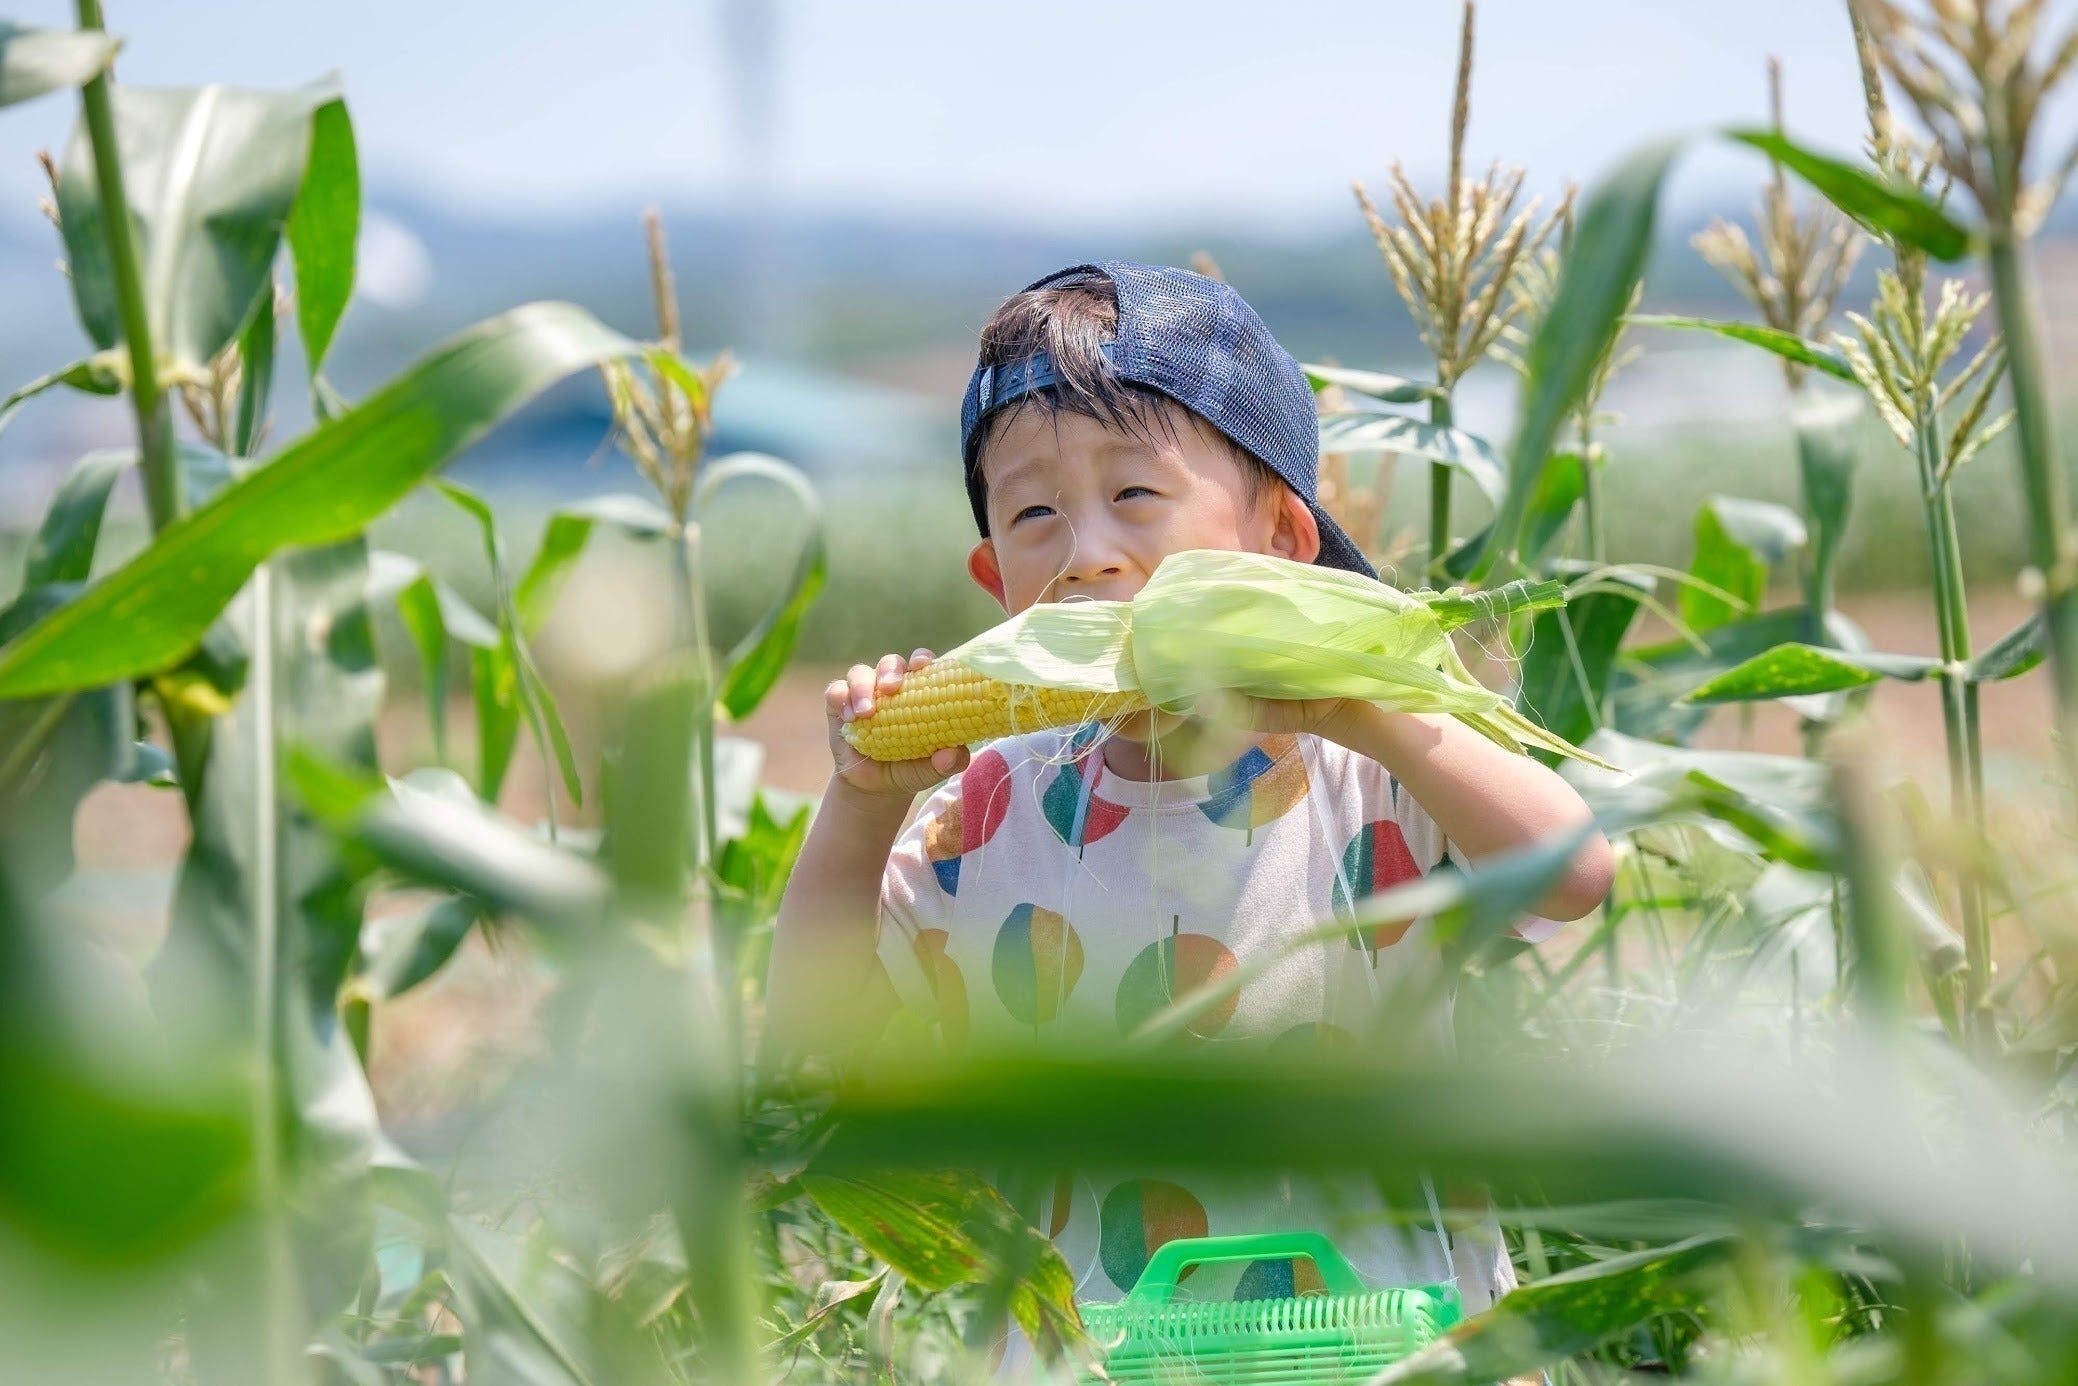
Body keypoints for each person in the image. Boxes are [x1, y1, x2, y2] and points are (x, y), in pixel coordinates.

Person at [764, 261, 1613, 1324]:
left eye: (1133, 495)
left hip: (1392, 1336)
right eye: (1034, 515)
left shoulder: (1374, 778)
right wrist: (859, 801)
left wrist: (1364, 712)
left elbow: (1572, 876)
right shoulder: (982, 812)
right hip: (1093, 1346)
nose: (1088, 556)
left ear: (1281, 542)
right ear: (994, 586)